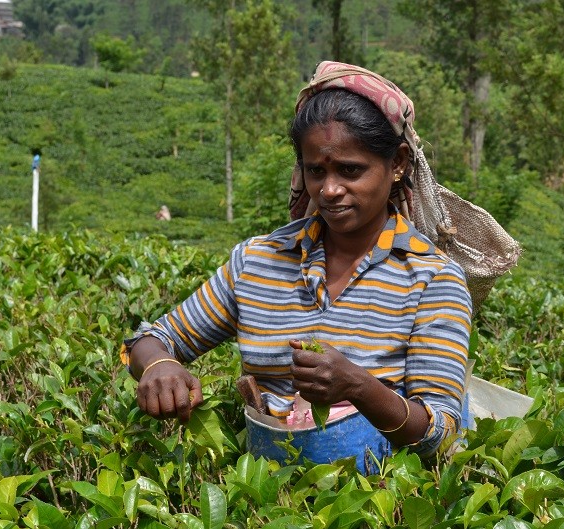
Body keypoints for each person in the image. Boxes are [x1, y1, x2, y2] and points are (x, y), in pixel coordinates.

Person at [120, 61, 472, 459]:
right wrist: (157, 366)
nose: (330, 189)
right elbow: (150, 340)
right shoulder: (258, 261)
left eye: (350, 170)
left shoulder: (432, 278)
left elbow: (441, 435)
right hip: (262, 498)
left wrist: (359, 387)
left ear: (398, 164)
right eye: (315, 171)